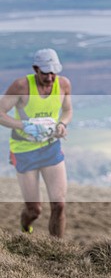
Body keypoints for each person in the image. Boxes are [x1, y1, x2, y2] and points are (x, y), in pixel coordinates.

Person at [0, 48, 72, 238]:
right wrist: (23, 126)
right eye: (45, 73)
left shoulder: (63, 84)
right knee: (34, 210)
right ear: (35, 69)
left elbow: (67, 111)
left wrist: (62, 125)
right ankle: (25, 228)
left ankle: (58, 250)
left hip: (50, 148)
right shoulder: (21, 86)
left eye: (53, 73)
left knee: (59, 205)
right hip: (24, 151)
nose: (50, 78)